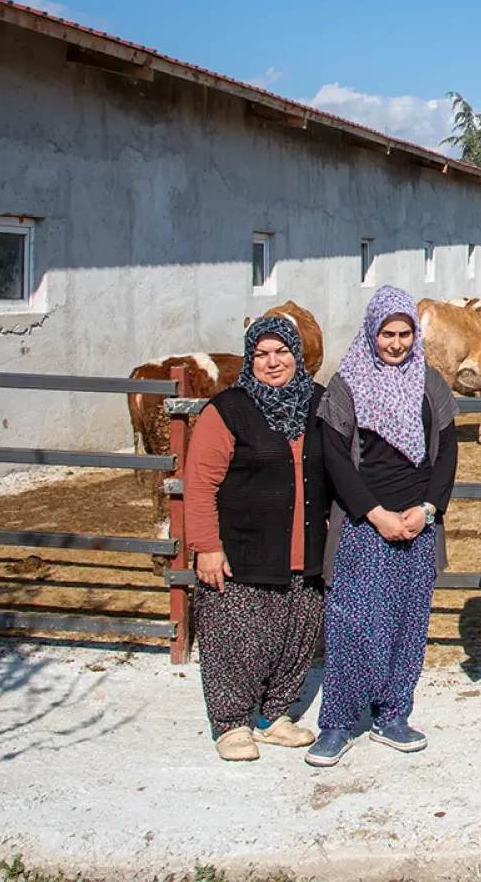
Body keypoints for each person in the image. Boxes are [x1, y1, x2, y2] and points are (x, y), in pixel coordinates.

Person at [305, 285, 457, 767]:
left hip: (418, 524)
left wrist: (427, 511)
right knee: (353, 624)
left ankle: (393, 714)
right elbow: (335, 458)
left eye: (404, 333)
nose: (396, 343)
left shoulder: (431, 383)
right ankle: (337, 723)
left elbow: (448, 453)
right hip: (363, 523)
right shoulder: (347, 384)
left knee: (408, 625)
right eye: (387, 333)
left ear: (416, 334)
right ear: (372, 332)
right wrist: (375, 514)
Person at [185, 316, 328, 762]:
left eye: (282, 352)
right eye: (261, 354)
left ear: (297, 356)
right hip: (242, 548)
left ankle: (272, 717)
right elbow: (201, 482)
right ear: (250, 359)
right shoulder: (227, 409)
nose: (272, 362)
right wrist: (207, 545)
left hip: (304, 550)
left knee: (294, 634)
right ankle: (230, 723)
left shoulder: (318, 404)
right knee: (235, 636)